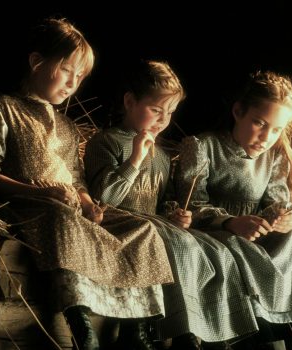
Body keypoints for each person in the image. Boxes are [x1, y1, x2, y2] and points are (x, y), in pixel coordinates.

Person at [0, 18, 173, 350]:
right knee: (61, 217)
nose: (72, 84)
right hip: (34, 204)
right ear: (36, 62)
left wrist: (90, 203)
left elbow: (77, 179)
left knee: (143, 229)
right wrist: (40, 192)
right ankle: (80, 325)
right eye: (67, 71)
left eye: (80, 78)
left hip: (70, 203)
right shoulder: (6, 108)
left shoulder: (67, 125)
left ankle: (138, 326)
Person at [175, 71, 292, 350]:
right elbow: (192, 203)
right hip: (215, 233)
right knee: (237, 245)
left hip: (256, 231)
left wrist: (285, 216)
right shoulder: (203, 147)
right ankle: (259, 324)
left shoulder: (274, 156)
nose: (266, 136)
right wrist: (230, 222)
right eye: (259, 123)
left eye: (276, 130)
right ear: (238, 111)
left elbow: (277, 200)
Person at [84, 60, 239, 350]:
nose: (162, 120)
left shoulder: (163, 156)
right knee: (178, 244)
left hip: (153, 222)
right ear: (130, 102)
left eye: (169, 113)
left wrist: (175, 215)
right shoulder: (105, 142)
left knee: (207, 246)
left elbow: (161, 201)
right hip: (121, 221)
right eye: (156, 110)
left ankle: (209, 328)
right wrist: (134, 161)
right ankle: (172, 330)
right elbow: (103, 198)